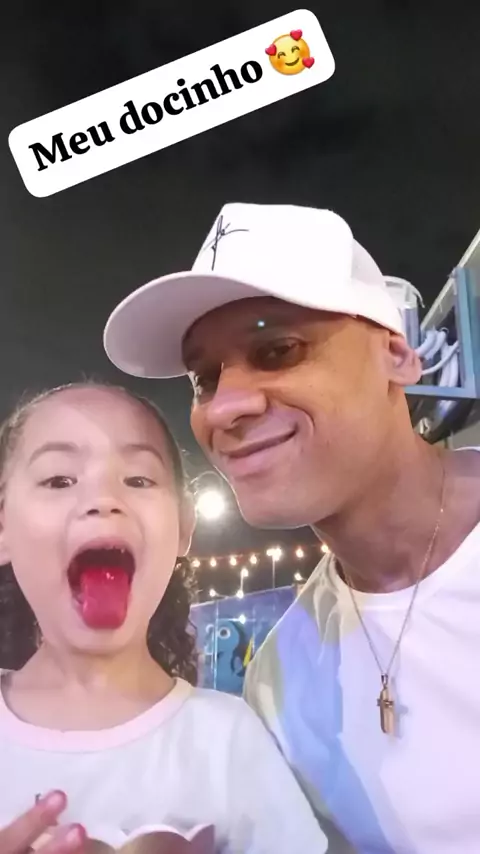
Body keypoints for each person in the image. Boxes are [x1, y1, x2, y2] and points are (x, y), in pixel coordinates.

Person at [104, 202, 480, 854]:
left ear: (398, 356)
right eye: (204, 378)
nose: (225, 407)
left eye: (278, 350)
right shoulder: (278, 680)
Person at [0, 381, 327, 854]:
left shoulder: (226, 738)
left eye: (138, 480)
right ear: (3, 527)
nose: (103, 500)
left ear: (184, 527)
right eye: (59, 481)